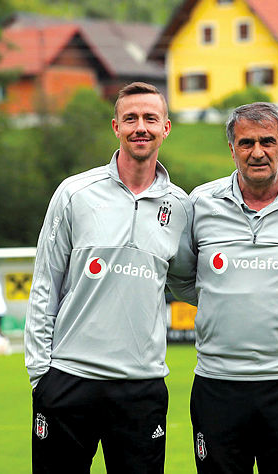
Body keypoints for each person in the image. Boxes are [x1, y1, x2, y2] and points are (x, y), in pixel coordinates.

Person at [24, 82, 193, 473]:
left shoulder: (181, 207)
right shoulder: (75, 193)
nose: (141, 127)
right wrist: (40, 376)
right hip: (69, 379)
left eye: (150, 118)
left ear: (166, 127)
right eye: (130, 118)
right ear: (115, 126)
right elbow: (45, 284)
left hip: (141, 385)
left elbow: (188, 282)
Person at [172, 102, 278, 473]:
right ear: (231, 148)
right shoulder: (201, 203)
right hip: (218, 382)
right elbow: (182, 277)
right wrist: (222, 298)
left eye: (267, 141)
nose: (257, 152)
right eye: (246, 143)